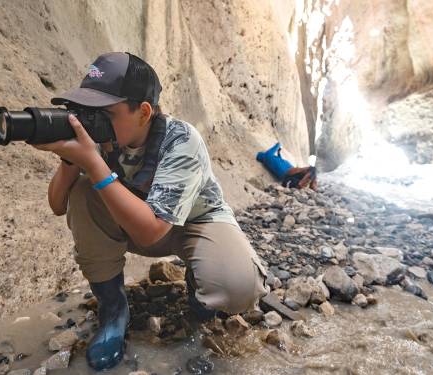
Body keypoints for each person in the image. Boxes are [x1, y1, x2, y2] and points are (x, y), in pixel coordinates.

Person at [33, 52, 268, 371]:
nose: (92, 120)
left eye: (104, 112)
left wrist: (92, 162)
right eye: (85, 110)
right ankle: (114, 311)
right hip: (136, 220)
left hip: (196, 224)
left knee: (238, 285)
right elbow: (58, 204)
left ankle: (200, 290)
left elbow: (151, 230)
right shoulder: (101, 140)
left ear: (143, 112)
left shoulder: (181, 140)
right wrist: (69, 159)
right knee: (83, 192)